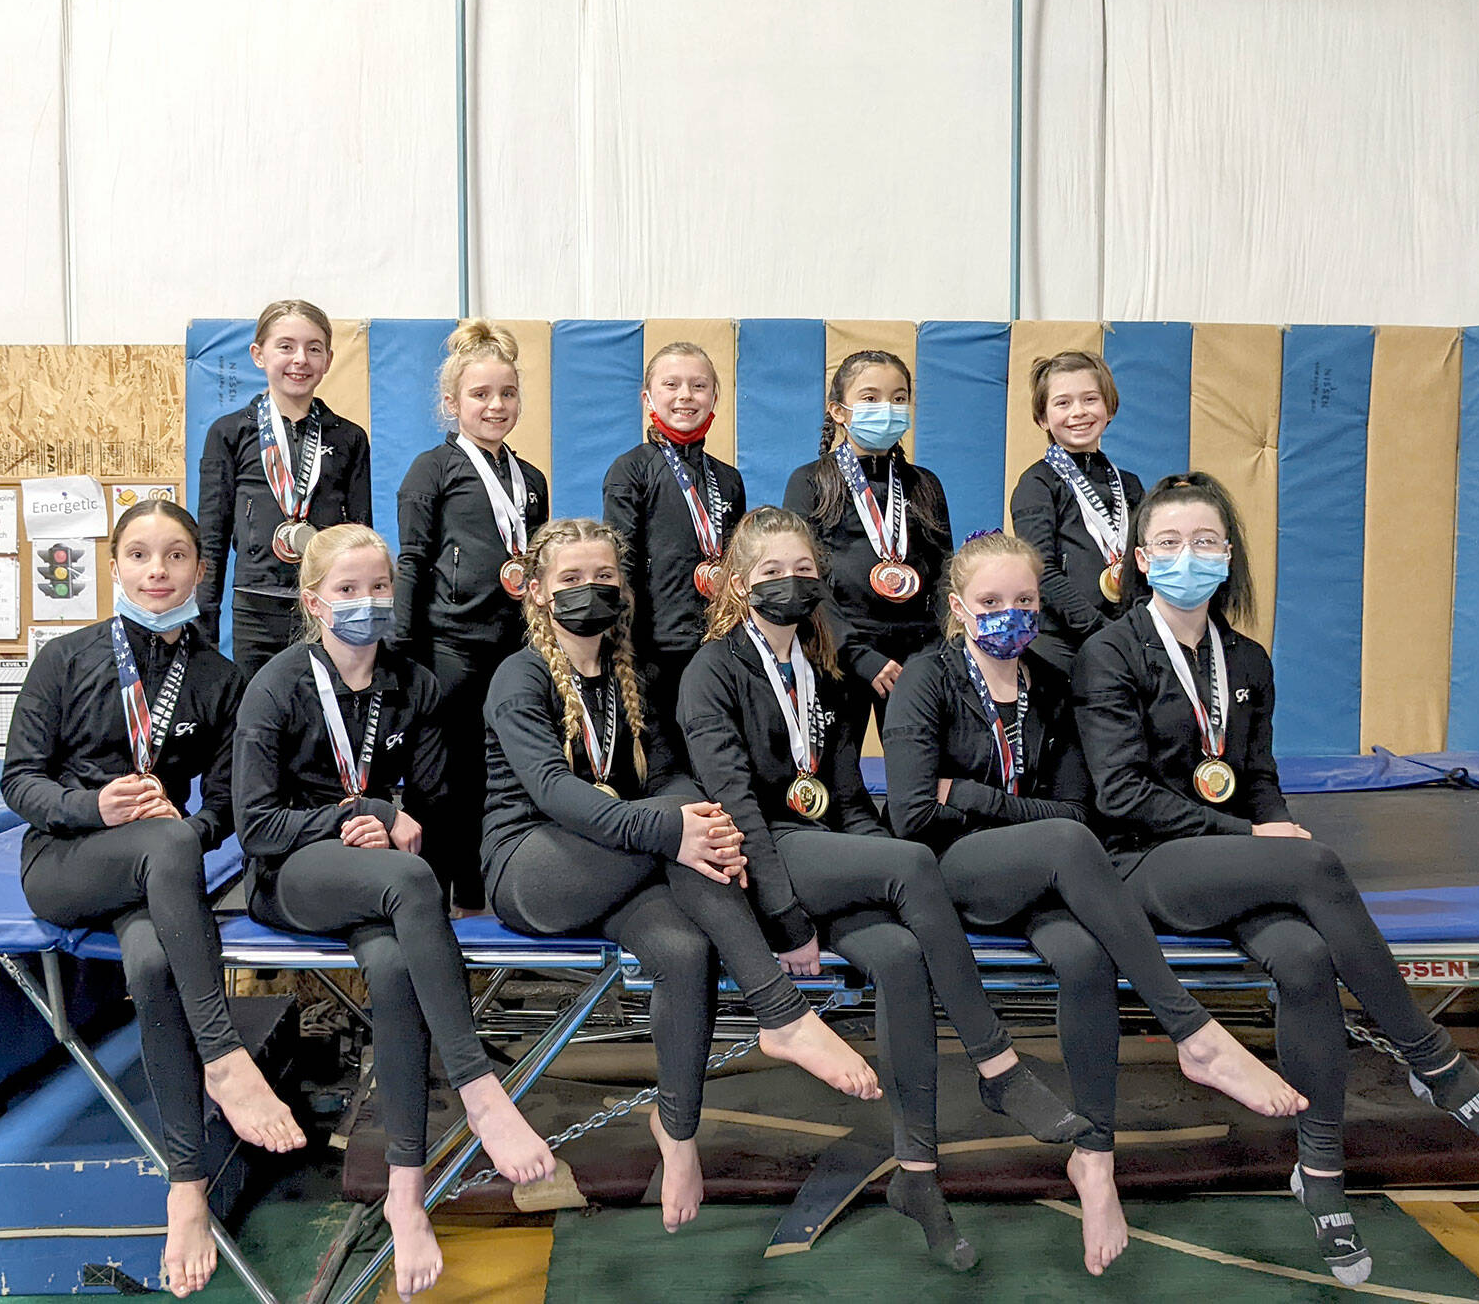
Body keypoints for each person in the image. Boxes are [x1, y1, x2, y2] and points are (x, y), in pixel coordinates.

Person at [1073, 472, 1479, 1286]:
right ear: (1144, 560)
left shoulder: (1247, 659)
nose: (1192, 557)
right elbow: (1120, 796)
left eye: (1209, 542)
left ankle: (1320, 1171)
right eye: (1174, 544)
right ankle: (1432, 1061)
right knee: (1315, 862)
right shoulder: (1110, 652)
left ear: (1229, 556)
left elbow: (1255, 777)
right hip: (1143, 865)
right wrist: (1257, 839)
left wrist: (1264, 828)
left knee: (1301, 958)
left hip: (1231, 860)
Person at [679, 505, 1092, 1272]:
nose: (791, 584)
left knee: (902, 954)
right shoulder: (713, 670)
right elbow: (737, 810)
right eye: (772, 573)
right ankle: (998, 1065)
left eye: (805, 572)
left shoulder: (827, 676)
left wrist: (887, 867)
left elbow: (848, 801)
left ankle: (919, 1176)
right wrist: (788, 918)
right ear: (738, 585)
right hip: (763, 865)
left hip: (824, 851)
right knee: (913, 863)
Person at [883, 527, 1305, 1275]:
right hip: (957, 875)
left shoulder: (1051, 678)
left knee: (1082, 960)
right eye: (990, 602)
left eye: (1024, 600)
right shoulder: (928, 678)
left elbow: (1078, 809)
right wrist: (1013, 811)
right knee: (1070, 848)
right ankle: (1193, 1032)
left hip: (1039, 873)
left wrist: (974, 797)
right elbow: (913, 815)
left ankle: (1096, 1162)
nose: (1008, 613)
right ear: (956, 608)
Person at [482, 517, 883, 1235]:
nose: (589, 590)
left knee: (686, 950)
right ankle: (782, 1013)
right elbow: (550, 789)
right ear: (537, 593)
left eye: (603, 578)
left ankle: (679, 1133)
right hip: (532, 867)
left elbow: (665, 771)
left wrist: (689, 820)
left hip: (619, 870)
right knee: (682, 820)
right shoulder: (521, 676)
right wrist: (672, 825)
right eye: (570, 580)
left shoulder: (632, 675)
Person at [231, 523, 553, 1300]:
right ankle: (481, 1093)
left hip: (375, 878)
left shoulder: (414, 684)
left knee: (393, 965)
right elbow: (256, 825)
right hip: (292, 877)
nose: (366, 603)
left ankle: (407, 1195)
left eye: (378, 588)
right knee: (410, 883)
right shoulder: (277, 684)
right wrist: (355, 812)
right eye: (347, 591)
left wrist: (394, 818)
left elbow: (438, 805)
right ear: (314, 601)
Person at [1, 500, 303, 1298]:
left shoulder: (221, 679)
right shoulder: (64, 659)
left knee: (151, 961)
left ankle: (186, 1189)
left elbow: (231, 806)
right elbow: (18, 781)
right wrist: (88, 809)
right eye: (139, 555)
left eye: (175, 556)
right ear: (115, 567)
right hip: (66, 862)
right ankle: (225, 1058)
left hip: (155, 871)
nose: (157, 572)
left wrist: (191, 828)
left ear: (201, 571)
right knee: (162, 853)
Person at [393, 320, 550, 911]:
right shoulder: (432, 469)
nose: (495, 405)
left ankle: (486, 892)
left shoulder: (529, 480)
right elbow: (411, 560)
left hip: (511, 651)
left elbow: (536, 569)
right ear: (452, 401)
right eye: (481, 394)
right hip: (448, 650)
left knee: (499, 776)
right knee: (442, 781)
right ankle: (434, 899)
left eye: (507, 394)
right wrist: (402, 654)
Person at [196, 299, 372, 681]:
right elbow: (211, 539)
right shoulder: (229, 434)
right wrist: (202, 628)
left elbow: (361, 538)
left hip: (326, 608)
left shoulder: (350, 438)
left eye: (313, 348)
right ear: (259, 355)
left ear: (328, 359)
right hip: (256, 612)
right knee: (260, 716)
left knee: (325, 715)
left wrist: (359, 613)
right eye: (286, 346)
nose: (300, 359)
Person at [783, 350, 952, 744]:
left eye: (898, 398)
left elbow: (946, 572)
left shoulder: (925, 484)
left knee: (916, 774)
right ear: (839, 411)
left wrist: (934, 655)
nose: (887, 409)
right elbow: (803, 579)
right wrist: (856, 654)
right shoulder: (809, 482)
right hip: (839, 654)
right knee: (839, 782)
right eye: (871, 398)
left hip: (916, 657)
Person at [603, 341, 746, 765]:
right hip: (653, 649)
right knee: (663, 760)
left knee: (714, 753)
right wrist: (624, 642)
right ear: (648, 397)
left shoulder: (729, 479)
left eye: (699, 385)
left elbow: (734, 563)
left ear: (714, 397)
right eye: (672, 384)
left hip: (716, 644)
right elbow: (620, 566)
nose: (686, 395)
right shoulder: (630, 470)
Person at [1009, 351, 1147, 675]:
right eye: (1063, 403)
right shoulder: (1037, 483)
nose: (1079, 412)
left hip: (1124, 640)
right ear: (1042, 418)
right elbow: (1041, 571)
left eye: (1090, 399)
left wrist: (1137, 629)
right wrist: (1099, 630)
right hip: (1060, 650)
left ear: (1109, 408)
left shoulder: (1129, 484)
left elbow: (1146, 560)